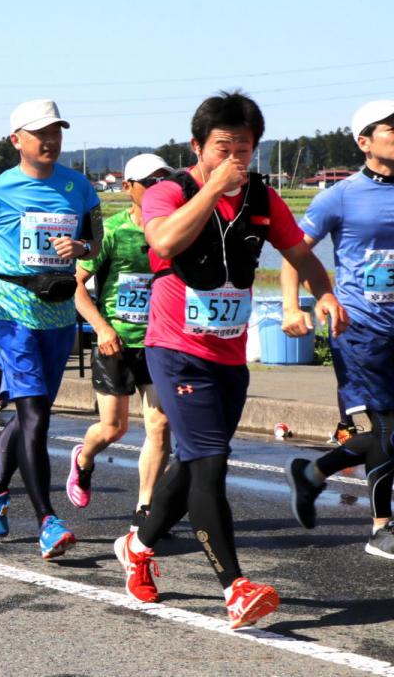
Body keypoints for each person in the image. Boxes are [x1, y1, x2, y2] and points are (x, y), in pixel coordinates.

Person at [115, 91, 344, 629]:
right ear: (197, 146)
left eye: (244, 148)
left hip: (228, 353)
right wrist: (212, 188)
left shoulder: (262, 197)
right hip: (175, 349)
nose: (235, 158)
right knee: (211, 461)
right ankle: (235, 588)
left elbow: (299, 252)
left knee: (194, 461)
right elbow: (164, 242)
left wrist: (323, 292)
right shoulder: (170, 191)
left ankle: (138, 546)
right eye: (223, 147)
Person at [0, 100, 101, 560]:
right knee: (37, 416)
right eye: (42, 133)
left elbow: (95, 239)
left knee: (29, 414)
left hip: (59, 313)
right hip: (12, 311)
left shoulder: (79, 186)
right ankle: (47, 521)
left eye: (57, 132)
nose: (51, 141)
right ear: (17, 139)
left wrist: (81, 247)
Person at [284, 99, 394, 560]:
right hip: (359, 328)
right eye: (391, 129)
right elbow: (294, 251)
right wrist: (293, 306)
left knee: (390, 434)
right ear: (364, 142)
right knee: (386, 426)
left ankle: (311, 475)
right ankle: (382, 528)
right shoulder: (340, 196)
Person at [69, 153, 172, 530]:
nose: (159, 188)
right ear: (128, 187)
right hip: (115, 341)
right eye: (150, 182)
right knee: (114, 428)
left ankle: (145, 507)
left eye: (164, 180)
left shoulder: (175, 231)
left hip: (158, 343)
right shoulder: (111, 232)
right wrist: (102, 328)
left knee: (159, 424)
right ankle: (83, 459)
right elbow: (76, 286)